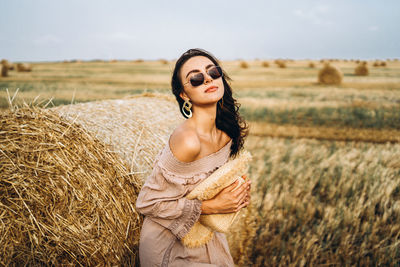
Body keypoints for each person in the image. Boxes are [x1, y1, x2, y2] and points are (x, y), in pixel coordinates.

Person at [136, 48, 251, 267]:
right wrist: (212, 207)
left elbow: (206, 188)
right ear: (184, 95)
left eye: (213, 72)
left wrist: (237, 195)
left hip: (205, 236)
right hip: (169, 243)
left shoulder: (226, 132)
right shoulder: (188, 141)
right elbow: (147, 204)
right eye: (196, 78)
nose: (207, 78)